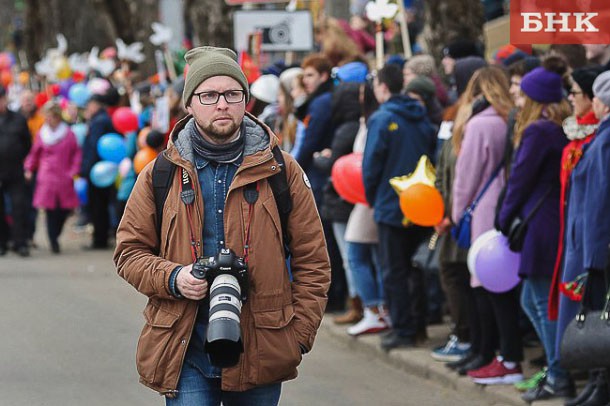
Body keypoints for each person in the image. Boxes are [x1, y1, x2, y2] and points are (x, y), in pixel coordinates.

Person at [114, 46, 331, 405]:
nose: (222, 104)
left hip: (261, 345)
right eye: (209, 95)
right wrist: (174, 277)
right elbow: (128, 253)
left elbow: (313, 261)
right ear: (189, 104)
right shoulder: (161, 174)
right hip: (186, 348)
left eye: (232, 94)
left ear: (245, 100)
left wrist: (299, 334)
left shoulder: (282, 170)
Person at [497, 62, 573, 401]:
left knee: (541, 302)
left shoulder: (538, 131)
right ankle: (557, 369)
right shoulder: (560, 127)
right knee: (535, 299)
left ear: (535, 99)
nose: (517, 97)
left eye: (522, 92)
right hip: (553, 221)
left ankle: (559, 374)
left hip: (540, 225)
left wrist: (504, 217)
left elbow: (520, 180)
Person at [451, 67, 524, 384]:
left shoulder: (479, 124)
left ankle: (494, 353)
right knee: (501, 285)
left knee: (483, 282)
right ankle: (495, 352)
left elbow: (465, 176)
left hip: (482, 209)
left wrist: (456, 212)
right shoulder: (510, 117)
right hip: (505, 205)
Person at [363, 63, 436, 350]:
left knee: (394, 270)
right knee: (416, 267)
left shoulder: (381, 119)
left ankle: (403, 328)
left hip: (391, 205)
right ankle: (418, 325)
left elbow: (371, 166)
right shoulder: (422, 116)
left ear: (383, 88)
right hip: (422, 202)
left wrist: (374, 198)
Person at [556, 70, 610, 406]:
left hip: (599, 246)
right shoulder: (602, 135)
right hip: (591, 242)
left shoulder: (605, 139)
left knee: (601, 314)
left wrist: (595, 255)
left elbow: (601, 200)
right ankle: (598, 383)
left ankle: (601, 387)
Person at [24, 101, 82, 253]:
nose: (47, 120)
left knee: (63, 210)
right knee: (50, 210)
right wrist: (29, 168)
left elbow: (76, 153)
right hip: (47, 176)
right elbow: (34, 154)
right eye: (46, 117)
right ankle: (53, 239)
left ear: (57, 118)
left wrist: (73, 171)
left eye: (50, 117)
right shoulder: (42, 134)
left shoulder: (68, 134)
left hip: (64, 175)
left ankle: (56, 233)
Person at [80, 92, 117, 249]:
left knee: (97, 206)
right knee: (101, 205)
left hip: (97, 170)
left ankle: (99, 239)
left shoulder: (99, 121)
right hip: (103, 170)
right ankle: (101, 236)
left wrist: (86, 169)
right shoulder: (102, 119)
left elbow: (94, 147)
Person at [0, 85, 31, 257]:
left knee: (19, 207)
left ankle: (20, 242)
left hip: (15, 171)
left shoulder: (18, 119)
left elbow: (27, 144)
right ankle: (2, 242)